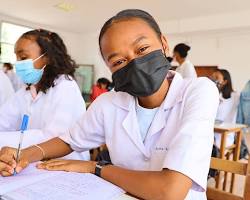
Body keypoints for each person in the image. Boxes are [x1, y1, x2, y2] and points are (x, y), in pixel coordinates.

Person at [0, 10, 219, 200]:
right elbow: (70, 140)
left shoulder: (198, 91)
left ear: (163, 43)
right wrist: (27, 154)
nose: (133, 62)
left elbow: (169, 191)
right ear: (109, 68)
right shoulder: (109, 102)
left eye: (142, 49)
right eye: (118, 61)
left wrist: (97, 168)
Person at [0, 29, 89, 160]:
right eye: (17, 58)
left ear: (47, 57)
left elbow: (52, 137)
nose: (18, 63)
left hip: (67, 165)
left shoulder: (65, 86)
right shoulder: (26, 91)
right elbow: (3, 121)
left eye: (23, 57)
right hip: (34, 162)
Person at [211, 69, 239, 148]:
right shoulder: (214, 94)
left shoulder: (235, 96)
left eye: (216, 77)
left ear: (225, 81)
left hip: (225, 135)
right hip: (212, 131)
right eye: (212, 77)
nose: (213, 79)